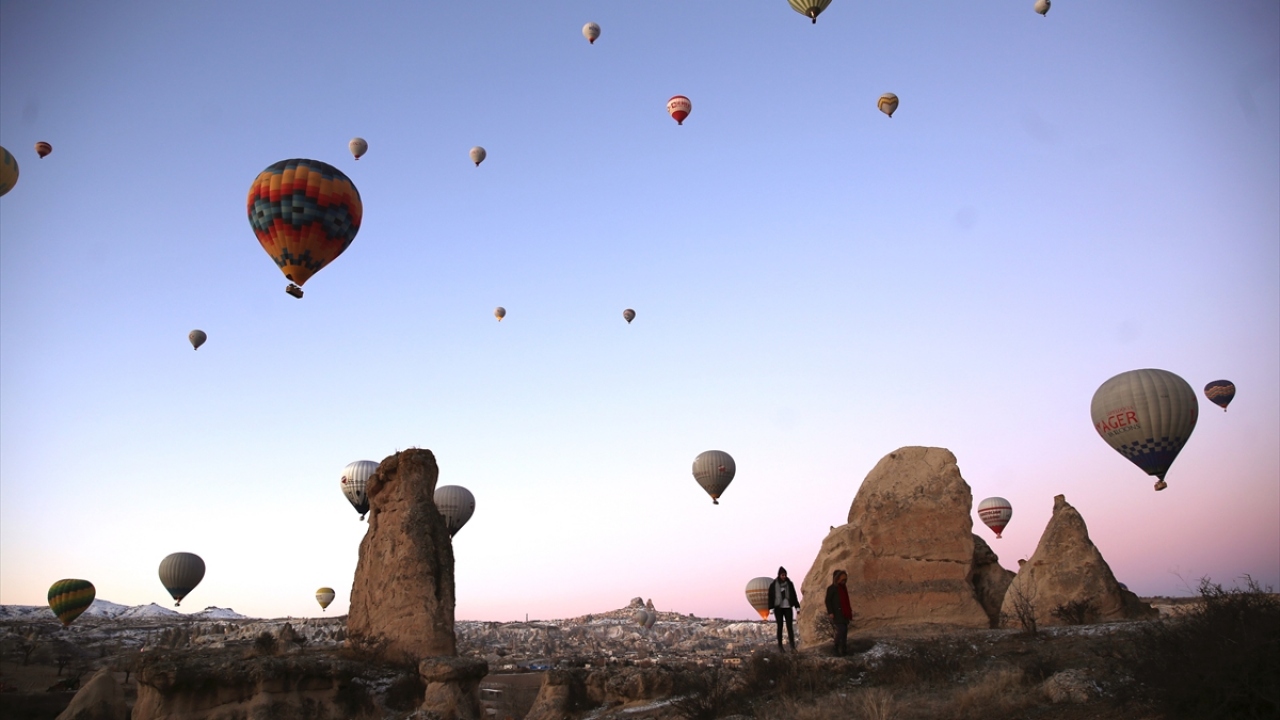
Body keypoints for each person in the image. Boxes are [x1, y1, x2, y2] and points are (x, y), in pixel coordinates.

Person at [767, 566, 800, 651]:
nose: (784, 576)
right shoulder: (773, 585)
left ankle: (792, 646)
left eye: (785, 575)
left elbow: (794, 595)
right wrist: (771, 607)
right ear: (779, 575)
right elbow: (771, 597)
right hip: (778, 608)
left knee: (790, 627)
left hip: (788, 607)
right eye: (782, 575)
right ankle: (780, 647)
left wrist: (797, 606)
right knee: (780, 626)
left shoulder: (789, 584)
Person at [825, 569, 853, 656]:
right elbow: (828, 601)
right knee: (841, 629)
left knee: (845, 632)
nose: (843, 581)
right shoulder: (831, 588)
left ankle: (843, 650)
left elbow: (846, 601)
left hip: (844, 614)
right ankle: (835, 647)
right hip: (837, 613)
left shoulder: (843, 588)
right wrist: (830, 612)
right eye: (842, 579)